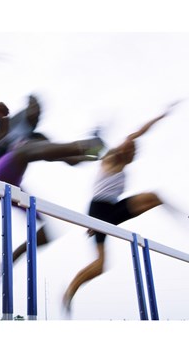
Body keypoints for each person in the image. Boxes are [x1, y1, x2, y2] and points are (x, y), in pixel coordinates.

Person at [61, 102, 180, 316]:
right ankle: (70, 291)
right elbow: (138, 132)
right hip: (99, 208)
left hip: (113, 209)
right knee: (100, 264)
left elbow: (136, 139)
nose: (130, 150)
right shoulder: (113, 156)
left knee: (155, 197)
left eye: (133, 152)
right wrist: (161, 116)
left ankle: (186, 217)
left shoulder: (124, 166)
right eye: (130, 148)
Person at [0, 95, 105, 264]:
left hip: (13, 187)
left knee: (47, 232)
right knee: (25, 150)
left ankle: (12, 258)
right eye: (34, 108)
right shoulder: (9, 126)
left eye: (39, 111)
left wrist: (94, 156)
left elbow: (70, 160)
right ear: (26, 110)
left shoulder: (39, 138)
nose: (37, 114)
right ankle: (83, 144)